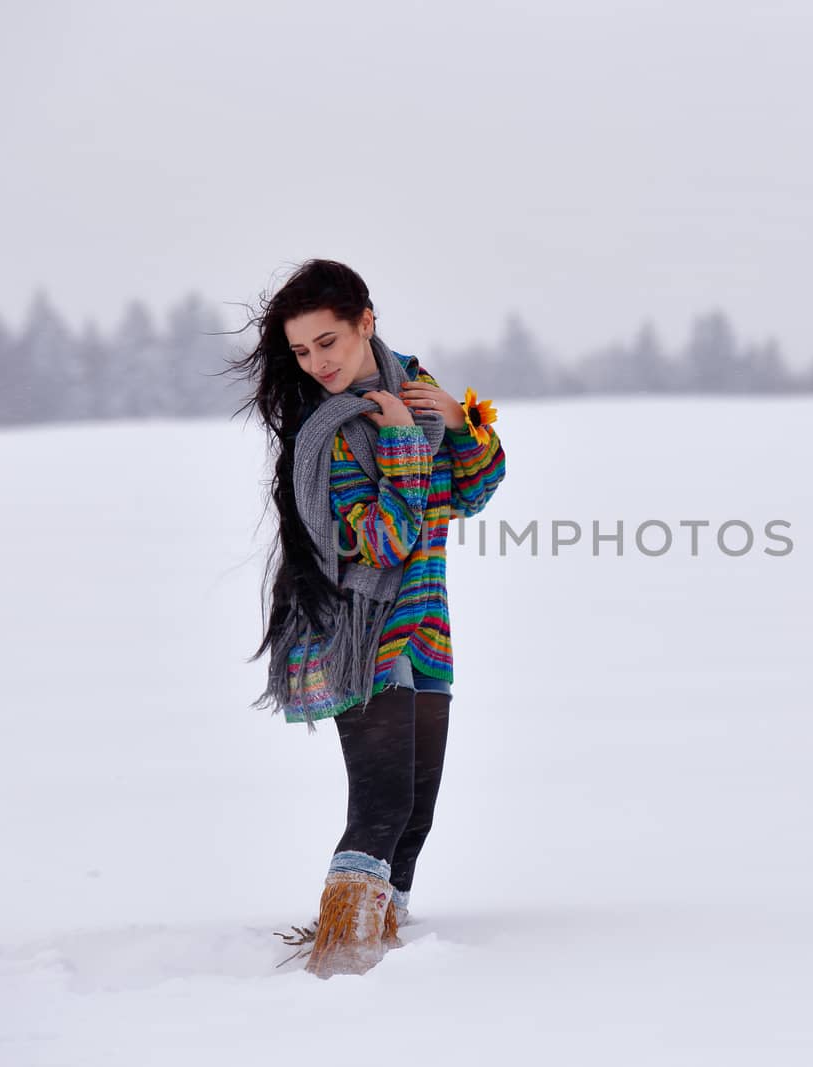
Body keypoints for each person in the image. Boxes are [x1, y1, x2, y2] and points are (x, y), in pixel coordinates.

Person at [226, 258, 507, 978]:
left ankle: (387, 943)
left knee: (417, 809)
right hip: (357, 629)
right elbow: (382, 539)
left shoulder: (412, 387)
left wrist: (458, 421)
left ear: (366, 324)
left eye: (328, 342)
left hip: (425, 624)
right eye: (302, 351)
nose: (316, 363)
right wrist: (404, 443)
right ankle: (344, 958)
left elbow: (470, 495)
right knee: (382, 801)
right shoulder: (328, 433)